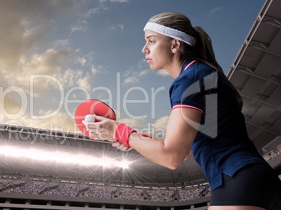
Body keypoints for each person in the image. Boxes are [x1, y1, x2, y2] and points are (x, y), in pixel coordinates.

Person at [83, 12, 281, 210]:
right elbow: (183, 150)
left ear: (174, 45)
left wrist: (120, 131)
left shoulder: (190, 79)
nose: (144, 49)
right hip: (260, 180)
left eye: (151, 41)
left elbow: (172, 156)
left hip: (236, 180)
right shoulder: (201, 72)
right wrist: (134, 139)